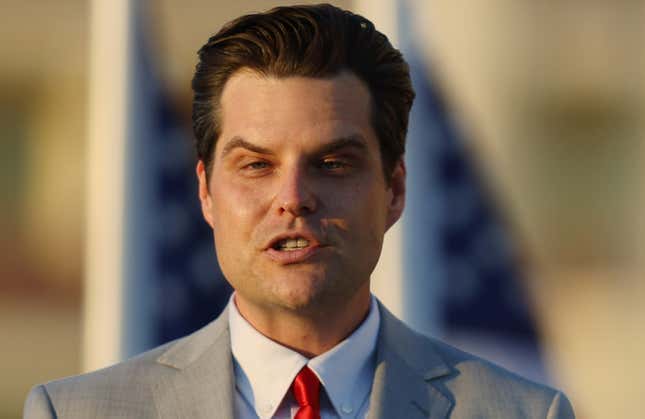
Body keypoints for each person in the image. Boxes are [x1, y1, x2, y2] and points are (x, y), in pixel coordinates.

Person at [24, 4, 574, 418]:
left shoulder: (523, 412)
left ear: (395, 190)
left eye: (332, 163)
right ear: (206, 193)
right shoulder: (74, 413)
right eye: (256, 165)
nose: (293, 196)